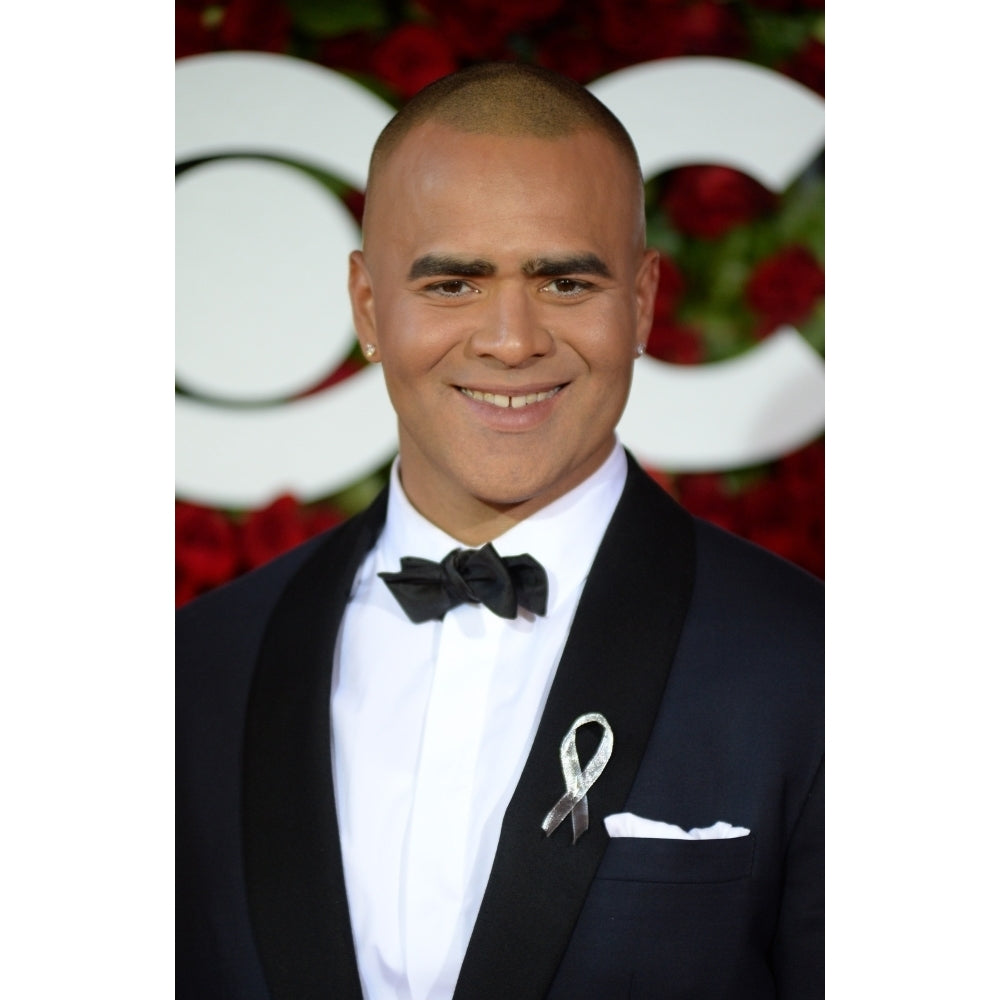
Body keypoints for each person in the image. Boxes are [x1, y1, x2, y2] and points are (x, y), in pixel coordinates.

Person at [177, 62, 823, 1000]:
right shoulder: (196, 672)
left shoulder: (812, 668)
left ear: (641, 303)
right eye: (452, 285)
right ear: (368, 306)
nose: (511, 339)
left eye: (564, 282)